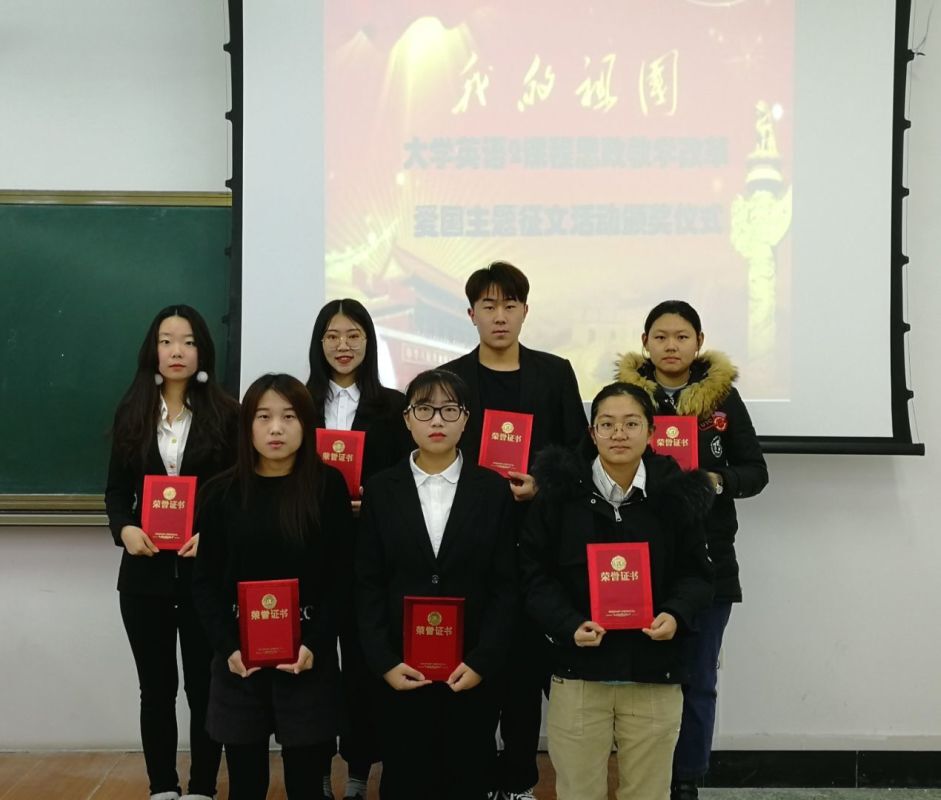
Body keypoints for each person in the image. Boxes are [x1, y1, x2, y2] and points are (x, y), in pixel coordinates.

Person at [520, 382, 715, 800]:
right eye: (607, 424)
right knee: (578, 792)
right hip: (579, 673)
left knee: (648, 793)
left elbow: (698, 576)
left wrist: (675, 614)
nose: (619, 434)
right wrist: (568, 624)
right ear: (592, 433)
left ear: (651, 431)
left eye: (631, 423)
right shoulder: (558, 495)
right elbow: (533, 575)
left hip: (654, 673)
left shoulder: (677, 494)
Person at [441, 261, 586, 800]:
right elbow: (436, 450)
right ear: (471, 314)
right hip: (470, 540)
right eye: (488, 306)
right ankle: (479, 778)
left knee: (525, 668)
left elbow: (579, 451)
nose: (499, 316)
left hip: (536, 541)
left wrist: (541, 486)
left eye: (509, 305)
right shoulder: (452, 379)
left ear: (525, 311)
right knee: (476, 660)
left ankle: (521, 779)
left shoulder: (554, 373)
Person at [616, 300, 769, 800]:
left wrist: (716, 481)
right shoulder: (624, 399)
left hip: (709, 558)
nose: (671, 346)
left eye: (681, 337)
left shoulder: (724, 399)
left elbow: (756, 472)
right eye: (660, 337)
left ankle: (686, 779)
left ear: (699, 342)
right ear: (645, 342)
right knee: (642, 682)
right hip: (640, 561)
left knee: (698, 679)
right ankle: (644, 778)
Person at [355, 368, 518, 800]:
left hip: (470, 671)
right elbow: (367, 584)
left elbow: (506, 586)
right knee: (404, 779)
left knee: (469, 778)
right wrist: (385, 663)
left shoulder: (492, 490)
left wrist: (483, 662)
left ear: (466, 419)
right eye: (424, 409)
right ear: (407, 419)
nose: (437, 420)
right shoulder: (381, 490)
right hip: (401, 671)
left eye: (449, 410)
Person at [192, 373, 353, 800]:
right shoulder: (220, 493)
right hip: (239, 661)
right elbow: (204, 582)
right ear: (247, 425)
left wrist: (315, 644)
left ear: (307, 424)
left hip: (307, 657)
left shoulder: (327, 487)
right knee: (246, 784)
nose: (276, 428)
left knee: (306, 784)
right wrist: (228, 647)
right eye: (263, 417)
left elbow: (342, 577)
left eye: (289, 416)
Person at [105, 304, 238, 800]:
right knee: (156, 690)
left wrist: (216, 536)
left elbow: (239, 495)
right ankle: (163, 785)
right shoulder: (132, 413)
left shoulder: (228, 415)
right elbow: (116, 493)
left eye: (187, 341)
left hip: (205, 576)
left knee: (205, 687)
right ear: (153, 350)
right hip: (145, 578)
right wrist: (124, 529)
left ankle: (202, 787)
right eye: (166, 341)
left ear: (202, 350)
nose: (176, 351)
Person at [306, 298, 412, 799]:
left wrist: (377, 497)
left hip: (374, 554)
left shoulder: (393, 406)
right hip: (313, 552)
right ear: (319, 342)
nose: (343, 345)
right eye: (332, 335)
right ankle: (316, 772)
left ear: (369, 341)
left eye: (353, 335)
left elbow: (406, 477)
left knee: (368, 668)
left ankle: (358, 772)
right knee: (315, 668)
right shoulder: (299, 402)